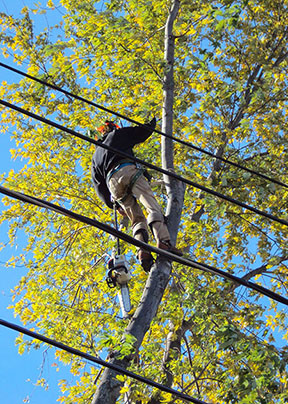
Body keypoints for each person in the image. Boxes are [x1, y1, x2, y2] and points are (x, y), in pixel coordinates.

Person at [91, 118, 182, 272]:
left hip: (112, 184)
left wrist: (112, 204)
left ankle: (142, 250)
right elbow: (139, 132)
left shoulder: (95, 157)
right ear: (112, 129)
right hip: (127, 170)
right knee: (151, 206)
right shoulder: (117, 135)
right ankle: (163, 241)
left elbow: (98, 185)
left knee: (136, 219)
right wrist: (151, 123)